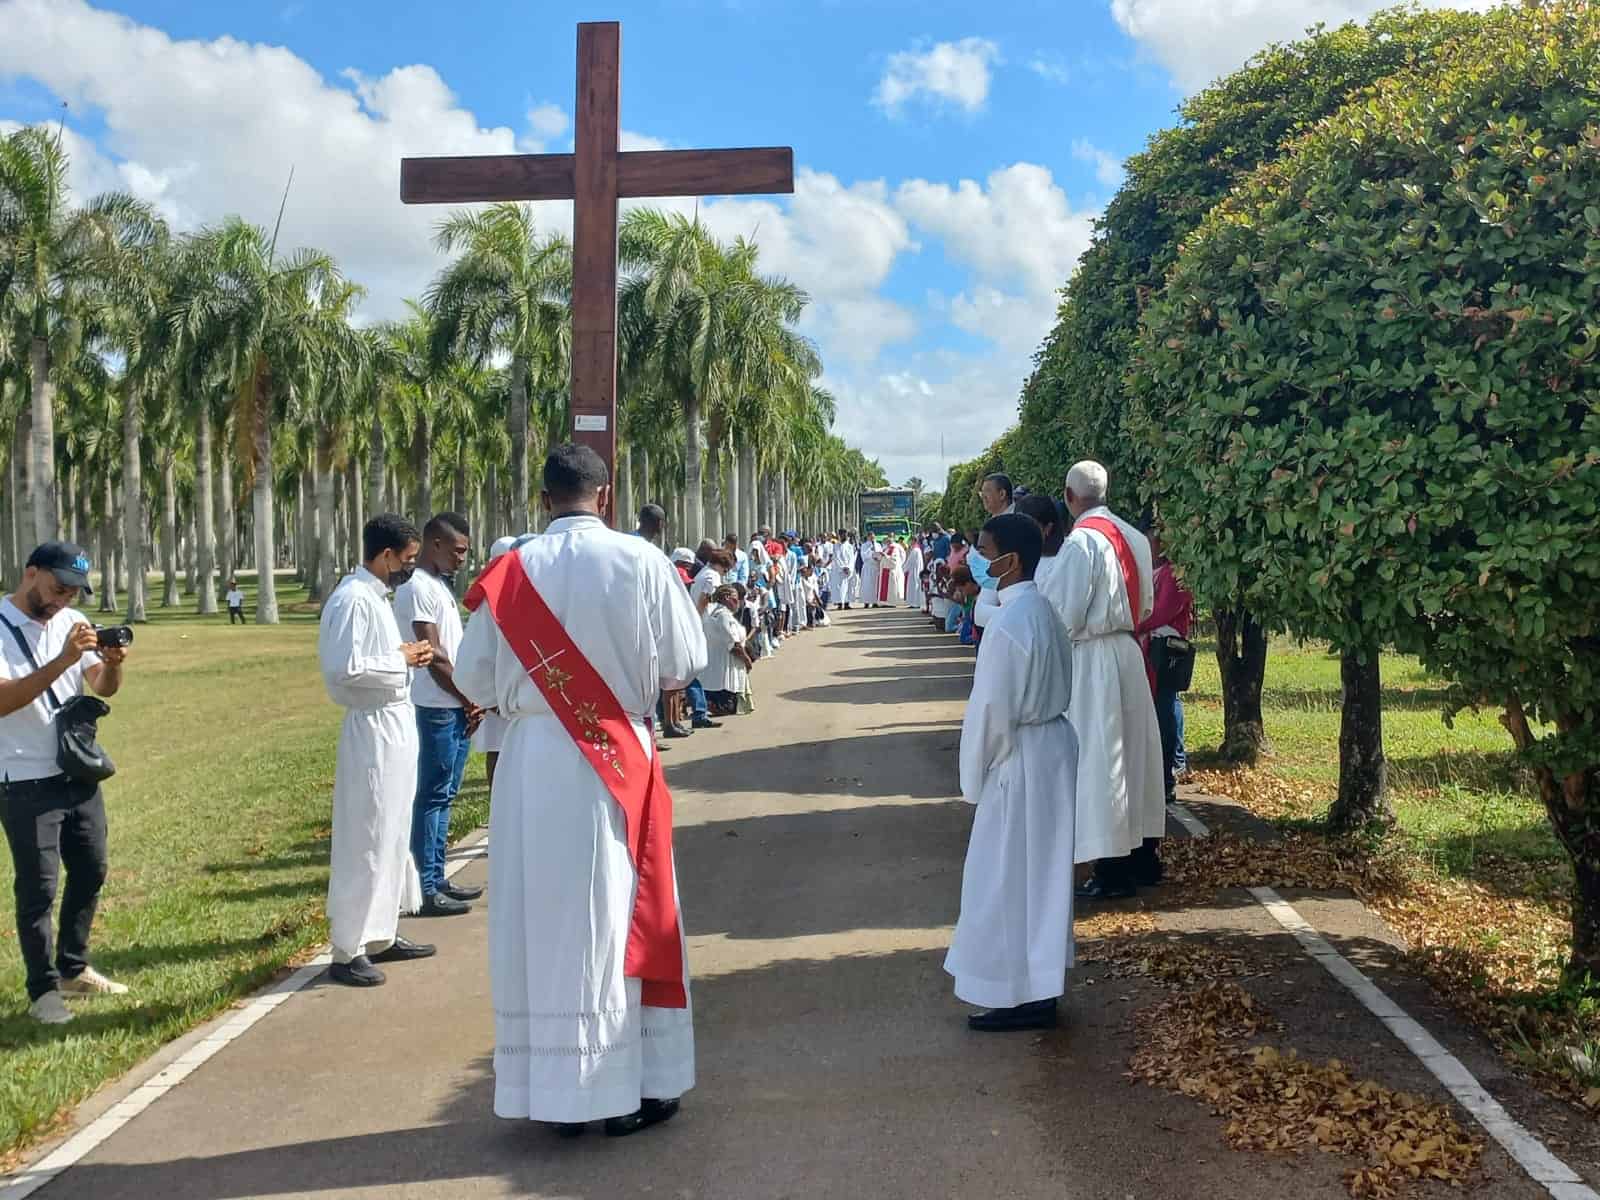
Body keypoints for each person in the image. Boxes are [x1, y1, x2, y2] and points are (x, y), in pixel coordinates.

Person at [455, 444, 706, 1138]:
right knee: (620, 915)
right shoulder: (642, 561)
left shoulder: (509, 573)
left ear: (544, 500)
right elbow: (686, 663)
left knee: (541, 920)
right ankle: (627, 1088)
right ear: (605, 497)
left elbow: (474, 681)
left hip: (533, 761)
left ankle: (556, 1094)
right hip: (615, 758)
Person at [945, 515, 1077, 1031]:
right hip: (1051, 748)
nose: (976, 559)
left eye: (983, 550)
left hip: (1019, 756)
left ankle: (1013, 990)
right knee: (1042, 876)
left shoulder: (1008, 627)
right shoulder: (1042, 611)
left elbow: (991, 710)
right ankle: (1041, 985)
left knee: (1004, 875)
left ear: (1011, 560)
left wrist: (975, 774)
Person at [0, 543, 129, 1024]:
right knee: (38, 889)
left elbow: (101, 685)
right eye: (57, 588)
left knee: (92, 869)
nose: (62, 599)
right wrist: (59, 660)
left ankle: (74, 968)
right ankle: (42, 992)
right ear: (29, 573)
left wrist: (112, 662)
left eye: (73, 591)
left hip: (76, 772)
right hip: (24, 778)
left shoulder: (72, 622)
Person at [317, 515, 438, 987]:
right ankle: (347, 947)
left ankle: (382, 933)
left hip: (394, 722)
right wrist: (401, 659)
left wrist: (405, 656)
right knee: (366, 834)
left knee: (392, 829)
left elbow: (374, 659)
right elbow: (342, 670)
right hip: (371, 728)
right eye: (406, 561)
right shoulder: (351, 599)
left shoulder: (374, 599)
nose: (409, 569)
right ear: (385, 555)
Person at [1038, 461, 1165, 901]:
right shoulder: (1133, 537)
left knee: (1100, 763)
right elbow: (1146, 603)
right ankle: (1144, 855)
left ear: (1070, 498)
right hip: (1128, 650)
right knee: (1134, 757)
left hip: (1093, 657)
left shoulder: (1081, 542)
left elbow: (1062, 613)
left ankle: (1111, 870)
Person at [394, 512, 483, 918]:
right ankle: (425, 887)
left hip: (453, 705)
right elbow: (433, 656)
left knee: (445, 794)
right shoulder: (417, 588)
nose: (464, 558)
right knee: (431, 795)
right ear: (435, 544)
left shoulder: (438, 586)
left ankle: (436, 874)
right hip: (435, 707)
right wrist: (468, 697)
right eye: (458, 550)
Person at [1138, 526, 1194, 805]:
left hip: (1165, 652)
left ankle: (1168, 775)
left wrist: (1131, 623)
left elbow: (1160, 611)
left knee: (1164, 712)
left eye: (1153, 544)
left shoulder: (1173, 574)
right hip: (1149, 649)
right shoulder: (1153, 571)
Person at [473, 536, 521, 790]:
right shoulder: (488, 595)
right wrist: (490, 700)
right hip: (497, 691)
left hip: (514, 689)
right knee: (496, 747)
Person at [702, 585, 753, 715]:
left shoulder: (718, 613)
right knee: (727, 708)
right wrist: (747, 660)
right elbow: (733, 644)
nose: (738, 603)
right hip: (723, 676)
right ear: (726, 598)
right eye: (735, 599)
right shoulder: (723, 616)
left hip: (719, 671)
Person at [828, 529, 855, 610]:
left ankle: (847, 603)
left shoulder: (850, 546)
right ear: (840, 535)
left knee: (848, 587)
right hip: (839, 570)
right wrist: (843, 567)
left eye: (846, 535)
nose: (845, 536)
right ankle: (840, 604)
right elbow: (836, 558)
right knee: (839, 587)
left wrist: (849, 567)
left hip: (848, 570)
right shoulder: (835, 546)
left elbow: (852, 558)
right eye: (843, 535)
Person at [904, 537, 926, 609]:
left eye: (910, 541)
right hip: (915, 570)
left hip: (914, 571)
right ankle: (914, 602)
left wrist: (904, 569)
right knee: (915, 586)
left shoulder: (915, 550)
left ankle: (915, 603)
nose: (909, 542)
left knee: (914, 586)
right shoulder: (917, 549)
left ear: (913, 541)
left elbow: (910, 561)